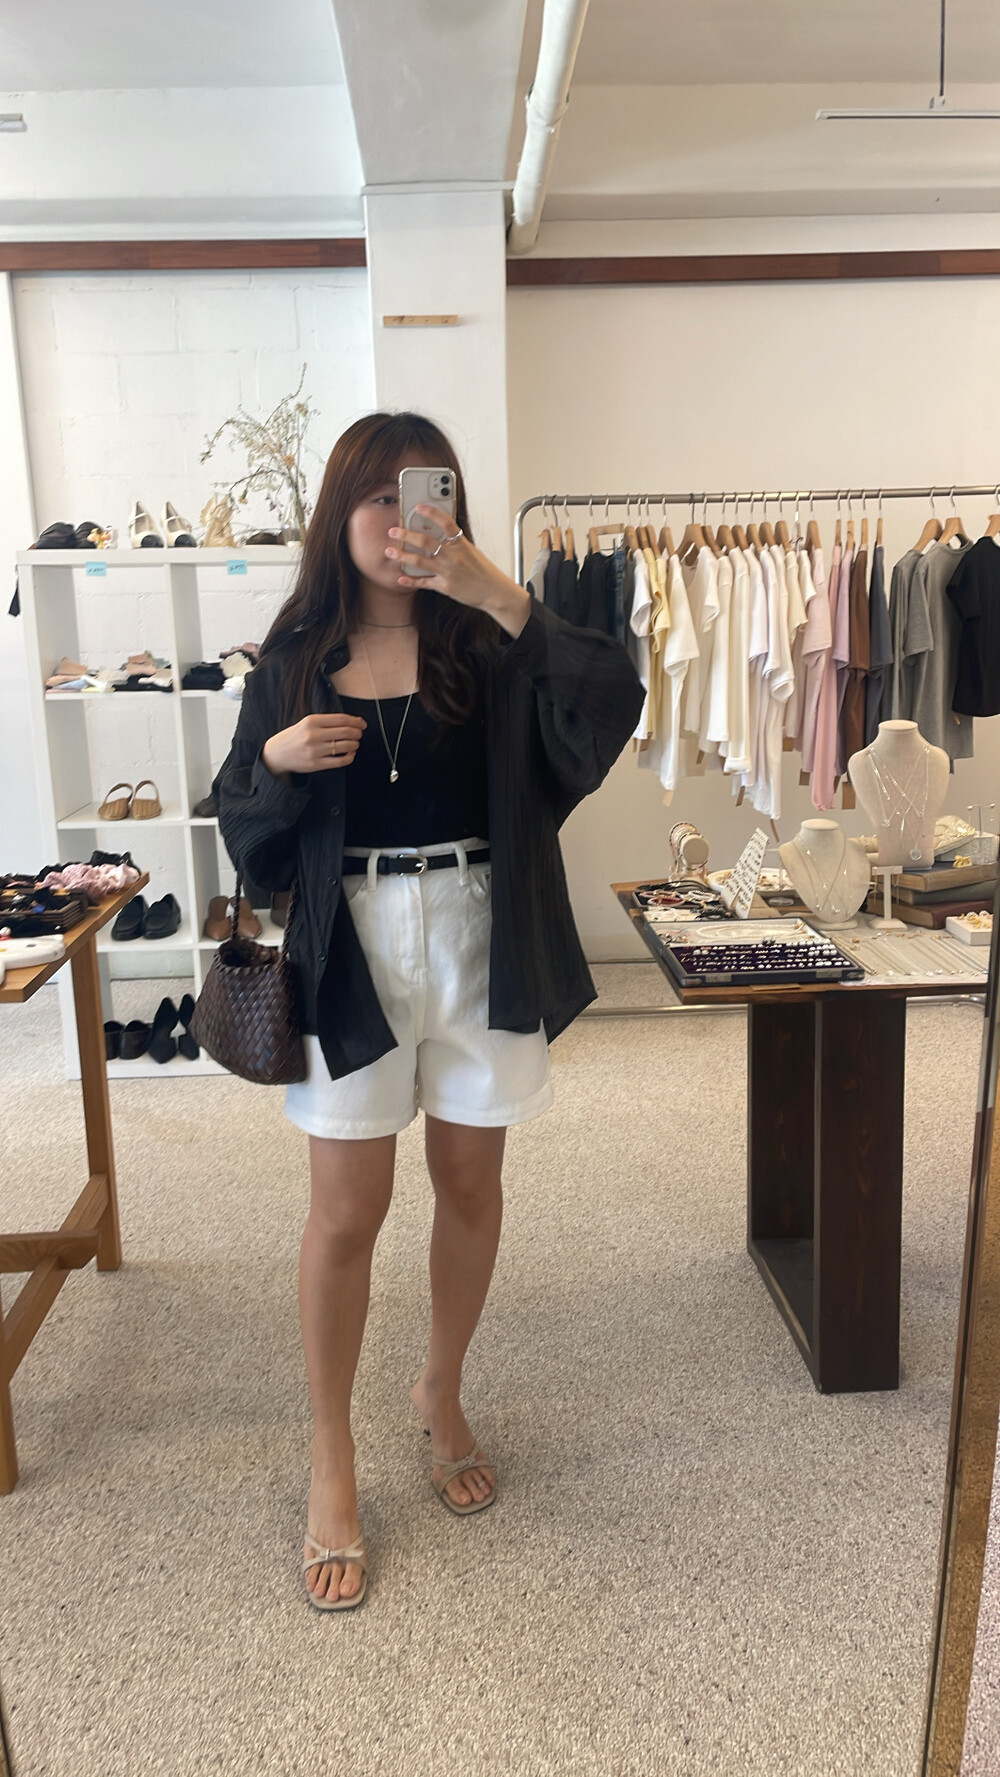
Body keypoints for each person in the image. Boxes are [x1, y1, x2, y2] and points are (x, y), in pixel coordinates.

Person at [216, 412, 644, 1611]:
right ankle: (331, 1448)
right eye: (380, 497)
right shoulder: (291, 657)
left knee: (469, 1181)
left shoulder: (489, 640)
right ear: (341, 512)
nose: (404, 519)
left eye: (427, 495)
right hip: (349, 944)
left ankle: (439, 1387)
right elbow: (241, 821)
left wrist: (493, 587)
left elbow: (611, 702)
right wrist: (277, 763)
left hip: (479, 932)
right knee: (346, 1210)